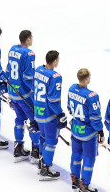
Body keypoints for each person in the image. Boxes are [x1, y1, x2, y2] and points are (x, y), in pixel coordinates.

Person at [69, 67, 104, 191]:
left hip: (75, 129)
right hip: (88, 133)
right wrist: (101, 132)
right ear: (88, 78)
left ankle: (75, 180)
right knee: (89, 158)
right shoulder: (91, 96)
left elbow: (69, 108)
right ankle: (85, 185)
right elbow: (95, 118)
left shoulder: (72, 89)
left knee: (76, 154)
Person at [34, 49, 66, 180]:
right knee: (51, 141)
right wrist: (60, 114)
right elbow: (53, 100)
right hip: (48, 115)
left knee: (43, 137)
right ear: (55, 61)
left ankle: (42, 163)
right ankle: (46, 169)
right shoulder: (55, 77)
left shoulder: (38, 70)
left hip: (38, 111)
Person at [8, 29, 40, 160]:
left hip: (13, 92)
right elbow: (28, 78)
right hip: (24, 95)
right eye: (31, 38)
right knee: (34, 122)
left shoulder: (12, 49)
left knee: (19, 118)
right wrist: (35, 93)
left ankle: (18, 147)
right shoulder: (29, 54)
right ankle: (36, 151)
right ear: (28, 40)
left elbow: (8, 70)